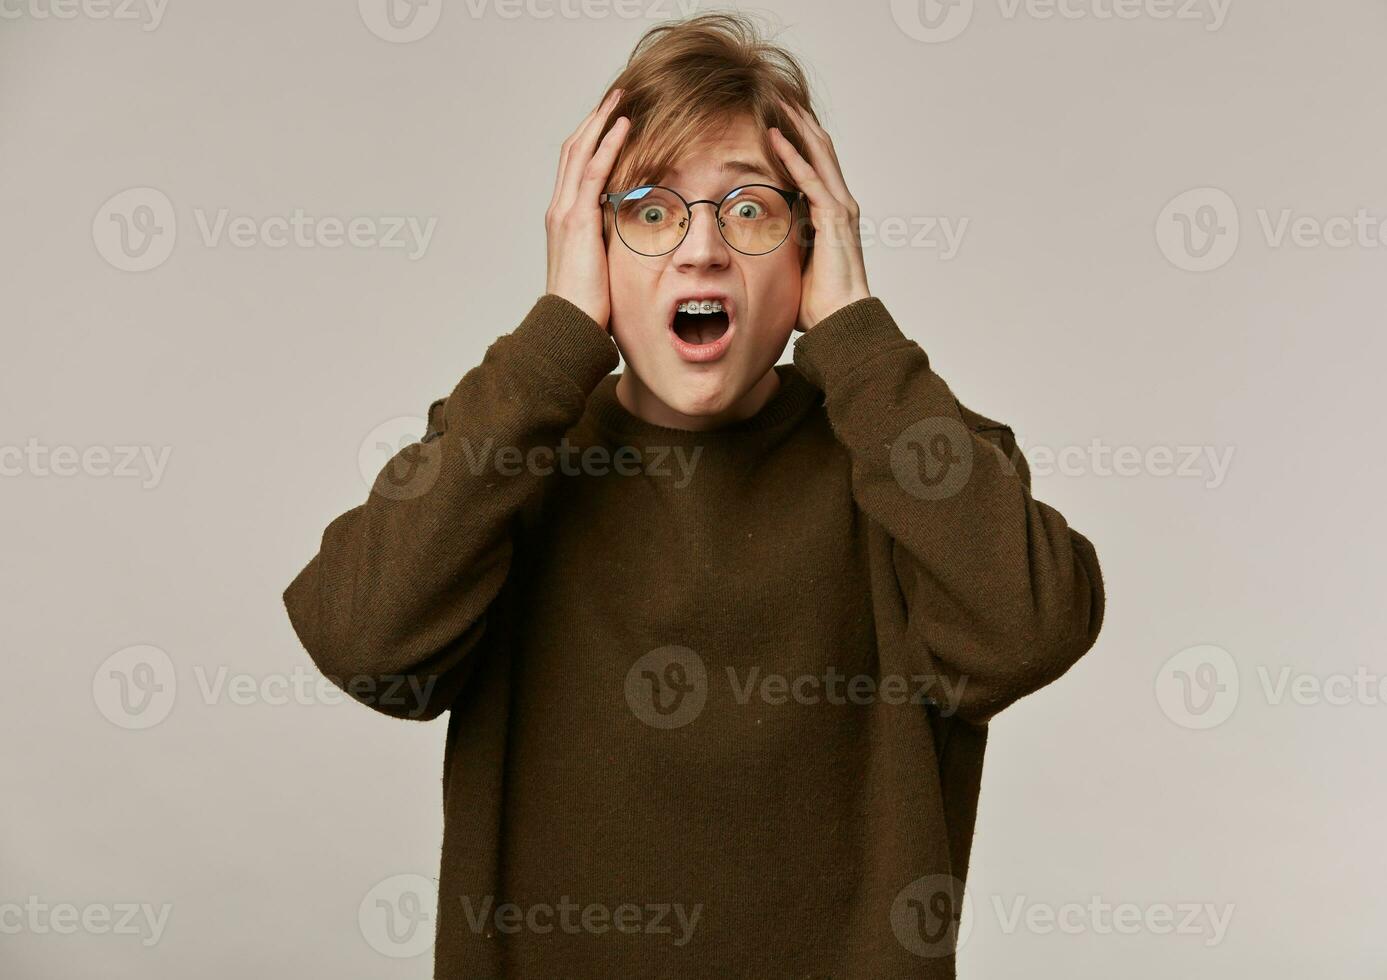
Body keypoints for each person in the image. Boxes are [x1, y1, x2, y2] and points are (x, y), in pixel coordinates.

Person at [282, 11, 1106, 978]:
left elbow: (1031, 629)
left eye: (750, 209)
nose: (702, 249)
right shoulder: (508, 454)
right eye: (649, 208)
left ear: (810, 252)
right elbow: (363, 640)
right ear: (592, 251)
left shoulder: (900, 456)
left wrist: (860, 339)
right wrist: (553, 340)